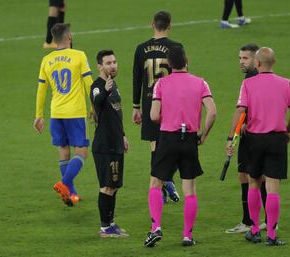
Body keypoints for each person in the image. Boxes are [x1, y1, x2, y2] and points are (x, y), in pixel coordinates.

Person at [226, 47, 290, 246]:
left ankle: (255, 231)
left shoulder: (248, 83)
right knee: (273, 186)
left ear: (257, 63)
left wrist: (231, 137)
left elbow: (241, 110)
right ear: (273, 63)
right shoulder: (286, 83)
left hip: (254, 140)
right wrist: (287, 130)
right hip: (277, 139)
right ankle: (273, 236)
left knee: (254, 183)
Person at [144, 46, 217, 247]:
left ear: (169, 64)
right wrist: (204, 133)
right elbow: (212, 112)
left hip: (168, 138)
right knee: (190, 189)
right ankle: (187, 235)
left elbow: (152, 116)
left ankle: (156, 227)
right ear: (187, 61)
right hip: (190, 139)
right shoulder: (201, 83)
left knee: (156, 183)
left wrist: (168, 120)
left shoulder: (161, 84)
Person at [34, 23, 93, 206]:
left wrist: (39, 115)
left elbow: (41, 89)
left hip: (56, 112)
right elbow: (89, 83)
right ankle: (64, 183)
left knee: (63, 151)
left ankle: (71, 194)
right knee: (82, 151)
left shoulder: (46, 60)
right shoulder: (79, 55)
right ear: (70, 37)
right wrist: (94, 107)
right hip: (75, 112)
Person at [132, 10, 182, 203]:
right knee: (172, 143)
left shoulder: (140, 48)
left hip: (149, 101)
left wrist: (136, 107)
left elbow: (137, 78)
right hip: (171, 102)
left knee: (155, 145)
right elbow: (182, 76)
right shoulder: (176, 47)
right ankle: (166, 180)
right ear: (169, 26)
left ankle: (161, 185)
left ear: (152, 24)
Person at [226, 43, 270, 234]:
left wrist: (232, 135)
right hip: (255, 132)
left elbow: (242, 109)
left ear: (256, 59)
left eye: (245, 58)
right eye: (239, 58)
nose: (241, 62)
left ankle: (250, 221)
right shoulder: (254, 77)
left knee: (251, 176)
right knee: (251, 176)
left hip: (252, 135)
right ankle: (266, 221)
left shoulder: (252, 79)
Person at [90, 49, 129, 238]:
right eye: (108, 63)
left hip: (115, 142)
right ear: (99, 66)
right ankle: (105, 228)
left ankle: (111, 223)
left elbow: (116, 113)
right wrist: (105, 90)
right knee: (107, 186)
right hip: (105, 145)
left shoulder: (114, 85)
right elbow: (96, 101)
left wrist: (123, 135)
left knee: (113, 186)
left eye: (114, 62)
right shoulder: (97, 85)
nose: (112, 65)